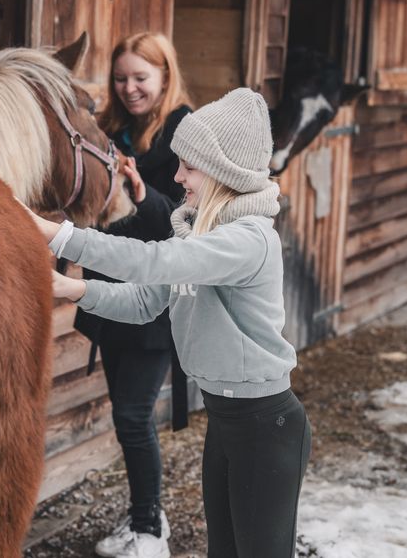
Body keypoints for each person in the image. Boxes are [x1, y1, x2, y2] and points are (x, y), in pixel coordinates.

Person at [29, 88, 312, 558]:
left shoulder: (248, 240)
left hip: (266, 425)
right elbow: (146, 301)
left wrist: (60, 236)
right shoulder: (207, 233)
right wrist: (73, 290)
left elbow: (152, 263)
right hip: (227, 421)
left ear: (224, 171)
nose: (178, 175)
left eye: (189, 166)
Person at [73, 32, 192, 557]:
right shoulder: (109, 128)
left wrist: (142, 194)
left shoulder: (187, 131)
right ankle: (143, 518)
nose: (129, 88)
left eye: (140, 78)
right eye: (120, 78)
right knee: (128, 412)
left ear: (165, 76)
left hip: (158, 299)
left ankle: (150, 531)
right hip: (112, 290)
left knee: (132, 415)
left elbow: (188, 221)